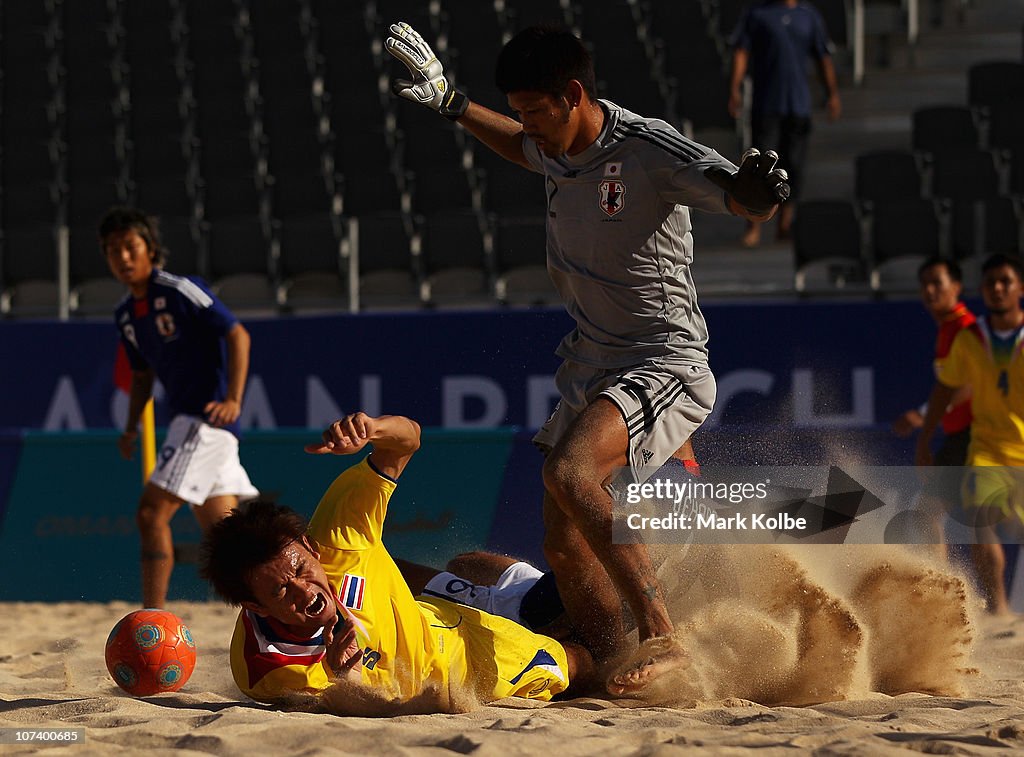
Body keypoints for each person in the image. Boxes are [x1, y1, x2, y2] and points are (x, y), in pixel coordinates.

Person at [384, 22, 789, 694]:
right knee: (564, 544)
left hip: (662, 356)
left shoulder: (648, 147)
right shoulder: (554, 142)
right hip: (591, 360)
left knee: (572, 475)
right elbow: (521, 147)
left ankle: (665, 637)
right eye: (518, 111)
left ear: (574, 95)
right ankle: (611, 669)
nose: (527, 126)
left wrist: (757, 189)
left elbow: (739, 196)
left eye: (536, 110)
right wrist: (455, 104)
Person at [199, 412, 596, 712]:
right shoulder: (267, 670)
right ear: (253, 605)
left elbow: (407, 439)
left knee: (494, 575)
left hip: (452, 626)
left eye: (301, 570)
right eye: (281, 590)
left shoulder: (337, 535)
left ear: (310, 547)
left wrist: (372, 429)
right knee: (570, 661)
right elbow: (358, 711)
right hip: (466, 670)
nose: (304, 592)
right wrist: (343, 681)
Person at [101, 206, 258, 609]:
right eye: (112, 250)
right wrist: (132, 427)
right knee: (230, 543)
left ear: (150, 249)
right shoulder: (125, 315)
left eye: (130, 247)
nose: (122, 257)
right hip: (193, 427)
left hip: (203, 422)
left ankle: (152, 619)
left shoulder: (179, 288)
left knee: (151, 514)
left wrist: (234, 401)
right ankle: (278, 613)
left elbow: (238, 334)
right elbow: (141, 376)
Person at [916, 253, 1024, 615]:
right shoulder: (969, 336)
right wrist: (925, 433)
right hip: (985, 445)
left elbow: (958, 392)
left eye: (1005, 281)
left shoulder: (959, 328)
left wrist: (920, 420)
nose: (997, 288)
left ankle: (947, 600)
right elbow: (948, 388)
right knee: (976, 518)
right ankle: (996, 609)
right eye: (991, 282)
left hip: (999, 442)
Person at [728, 0, 842, 246]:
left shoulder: (809, 16)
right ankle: (754, 224)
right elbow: (741, 51)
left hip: (798, 104)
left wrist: (832, 94)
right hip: (766, 104)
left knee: (794, 166)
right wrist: (735, 88)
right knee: (759, 166)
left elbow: (823, 56)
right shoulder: (757, 14)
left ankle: (785, 224)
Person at [892, 257, 975, 555]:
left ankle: (943, 591)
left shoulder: (964, 329)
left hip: (975, 433)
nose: (929, 290)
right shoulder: (949, 329)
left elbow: (968, 383)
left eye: (936, 283)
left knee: (929, 511)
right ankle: (944, 590)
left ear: (956, 287)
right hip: (964, 435)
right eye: (924, 284)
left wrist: (924, 415)